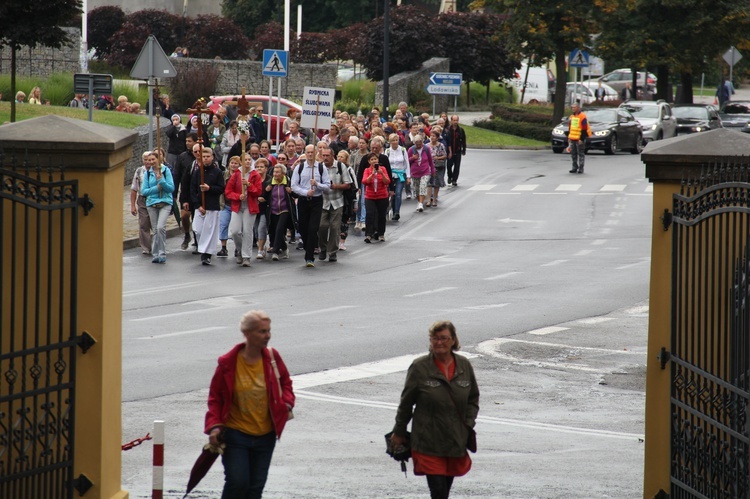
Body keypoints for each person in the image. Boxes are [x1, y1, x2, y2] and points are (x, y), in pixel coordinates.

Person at [205, 310, 295, 499]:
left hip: (266, 436)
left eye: (269, 331)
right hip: (236, 435)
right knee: (238, 483)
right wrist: (214, 427)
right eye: (262, 331)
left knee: (255, 489)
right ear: (247, 333)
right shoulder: (228, 363)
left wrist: (287, 404)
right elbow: (215, 398)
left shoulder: (272, 357)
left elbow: (286, 383)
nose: (267, 336)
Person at [391, 320, 479, 499]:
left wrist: (468, 423)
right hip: (428, 441)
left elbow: (473, 398)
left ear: (453, 340)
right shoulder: (419, 367)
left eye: (444, 338)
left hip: (455, 440)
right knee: (438, 491)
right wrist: (399, 432)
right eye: (435, 338)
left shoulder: (464, 366)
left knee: (444, 490)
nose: (439, 342)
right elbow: (406, 403)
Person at [291, 144, 331, 267]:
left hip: (316, 201)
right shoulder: (300, 168)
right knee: (303, 228)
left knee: (313, 228)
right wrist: (305, 192)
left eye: (311, 152)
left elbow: (328, 186)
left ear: (315, 154)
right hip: (303, 200)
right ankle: (308, 247)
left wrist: (317, 184)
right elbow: (294, 186)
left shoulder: (321, 168)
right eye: (307, 152)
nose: (309, 154)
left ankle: (310, 257)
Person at [226, 154, 263, 267]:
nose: (247, 161)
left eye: (249, 160)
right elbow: (228, 191)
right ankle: (239, 250)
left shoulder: (255, 174)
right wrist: (238, 196)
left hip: (250, 206)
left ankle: (246, 256)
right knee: (235, 231)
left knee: (247, 230)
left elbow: (258, 192)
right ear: (241, 162)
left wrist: (249, 185)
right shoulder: (237, 174)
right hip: (238, 206)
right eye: (245, 160)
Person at [190, 147, 225, 265]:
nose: (205, 159)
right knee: (198, 229)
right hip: (200, 207)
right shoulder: (197, 172)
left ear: (212, 157)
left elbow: (221, 188)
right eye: (203, 157)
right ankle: (202, 247)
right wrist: (197, 205)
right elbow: (193, 189)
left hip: (211, 206)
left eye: (207, 157)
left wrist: (209, 188)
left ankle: (207, 254)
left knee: (209, 232)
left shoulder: (217, 172)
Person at [318, 146, 352, 262]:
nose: (325, 158)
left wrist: (335, 186)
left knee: (334, 227)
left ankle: (332, 252)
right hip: (322, 202)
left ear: (333, 156)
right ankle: (322, 248)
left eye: (328, 155)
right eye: (324, 155)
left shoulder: (340, 166)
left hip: (337, 201)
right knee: (322, 226)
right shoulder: (319, 167)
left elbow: (348, 184)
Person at [140, 151, 175, 264]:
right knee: (155, 230)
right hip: (152, 203)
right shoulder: (147, 173)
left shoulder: (165, 171)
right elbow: (144, 191)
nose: (150, 162)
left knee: (160, 228)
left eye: (153, 160)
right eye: (148, 160)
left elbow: (170, 188)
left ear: (158, 159)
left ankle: (162, 253)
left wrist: (162, 181)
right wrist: (158, 188)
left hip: (165, 202)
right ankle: (155, 254)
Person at [266, 163, 296, 261]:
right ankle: (284, 248)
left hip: (284, 210)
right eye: (274, 172)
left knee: (279, 229)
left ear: (283, 173)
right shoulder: (270, 183)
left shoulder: (288, 182)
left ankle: (275, 251)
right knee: (274, 231)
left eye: (278, 172)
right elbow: (264, 196)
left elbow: (296, 194)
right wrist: (265, 192)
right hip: (273, 211)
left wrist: (291, 191)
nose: (275, 174)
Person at [361, 152, 391, 243]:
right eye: (372, 159)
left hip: (382, 196)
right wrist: (372, 174)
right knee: (370, 214)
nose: (374, 161)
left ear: (378, 160)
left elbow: (387, 181)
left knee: (381, 215)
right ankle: (369, 234)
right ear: (369, 161)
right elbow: (365, 181)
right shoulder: (367, 170)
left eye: (375, 159)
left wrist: (382, 174)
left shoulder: (383, 169)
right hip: (370, 196)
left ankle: (381, 233)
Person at [130, 151, 153, 255]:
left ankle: (158, 245)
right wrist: (132, 206)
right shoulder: (139, 171)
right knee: (144, 224)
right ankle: (146, 247)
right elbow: (134, 189)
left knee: (156, 224)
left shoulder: (158, 170)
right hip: (143, 199)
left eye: (150, 159)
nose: (148, 162)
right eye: (146, 159)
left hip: (154, 198)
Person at [385, 133, 410, 221]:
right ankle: (390, 208)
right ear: (390, 142)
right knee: (391, 194)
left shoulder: (403, 150)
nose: (395, 142)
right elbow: (385, 164)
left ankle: (396, 212)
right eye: (393, 140)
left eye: (396, 140)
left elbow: (407, 163)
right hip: (390, 175)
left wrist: (408, 176)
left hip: (400, 174)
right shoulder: (387, 151)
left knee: (398, 193)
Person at [408, 134, 435, 213]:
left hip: (425, 171)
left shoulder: (426, 149)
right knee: (416, 190)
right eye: (417, 144)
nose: (419, 145)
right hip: (415, 173)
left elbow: (430, 160)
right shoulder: (411, 150)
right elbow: (407, 161)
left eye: (420, 144)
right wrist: (412, 158)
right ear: (414, 143)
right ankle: (419, 201)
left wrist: (433, 170)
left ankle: (420, 204)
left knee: (423, 187)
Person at [567, 101, 589, 174]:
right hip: (572, 138)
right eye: (572, 107)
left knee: (580, 153)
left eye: (574, 107)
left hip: (579, 138)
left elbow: (584, 128)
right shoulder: (571, 117)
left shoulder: (582, 116)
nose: (573, 109)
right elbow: (570, 128)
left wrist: (581, 139)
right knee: (573, 154)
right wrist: (569, 137)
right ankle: (574, 167)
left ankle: (581, 168)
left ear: (578, 108)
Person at [428, 129, 448, 207]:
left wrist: (438, 158)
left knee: (436, 184)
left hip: (438, 166)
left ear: (437, 137)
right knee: (429, 183)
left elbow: (445, 155)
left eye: (434, 136)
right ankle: (429, 200)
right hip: (429, 166)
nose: (432, 137)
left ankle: (435, 199)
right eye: (431, 136)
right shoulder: (427, 145)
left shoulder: (441, 145)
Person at [446, 116, 466, 187]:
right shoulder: (448, 130)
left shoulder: (460, 130)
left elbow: (463, 140)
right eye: (454, 120)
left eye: (456, 120)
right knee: (449, 165)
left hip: (457, 151)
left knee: (457, 166)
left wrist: (463, 150)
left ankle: (454, 180)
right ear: (451, 120)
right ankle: (449, 176)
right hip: (449, 151)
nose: (455, 122)